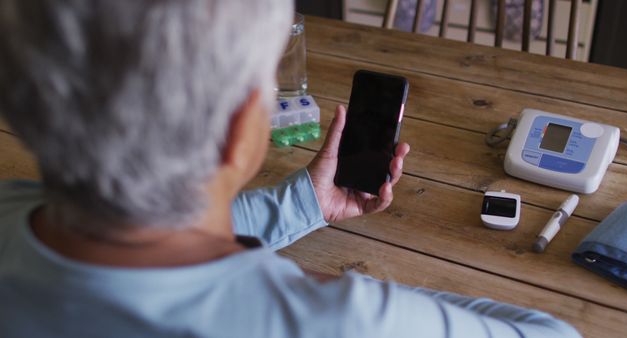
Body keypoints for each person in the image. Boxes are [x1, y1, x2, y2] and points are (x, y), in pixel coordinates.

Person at [0, 0, 581, 337]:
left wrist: (305, 203)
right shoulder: (333, 319)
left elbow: (142, 229)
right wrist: (331, 297)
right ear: (235, 133)